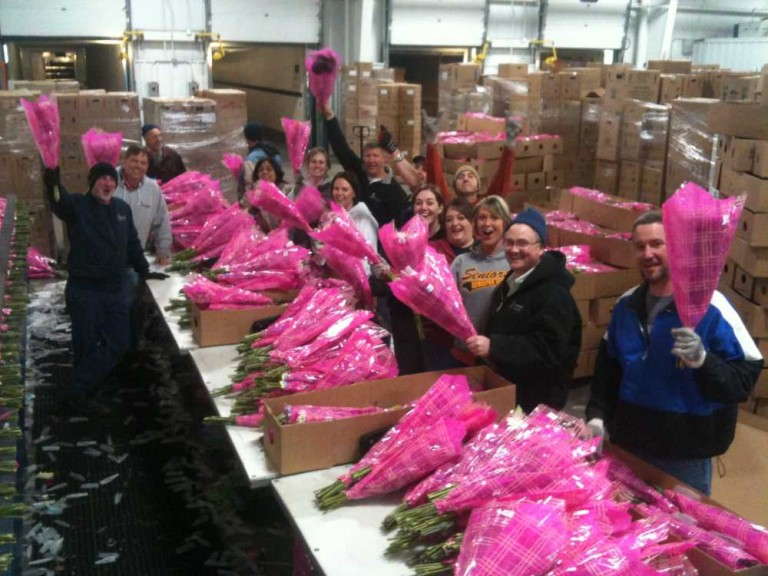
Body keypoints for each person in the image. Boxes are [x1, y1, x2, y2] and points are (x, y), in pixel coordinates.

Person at [585, 211, 762, 494]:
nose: (647, 253)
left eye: (657, 244)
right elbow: (608, 371)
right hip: (630, 443)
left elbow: (742, 381)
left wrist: (704, 361)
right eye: (640, 246)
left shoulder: (711, 307)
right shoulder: (627, 305)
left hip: (685, 452)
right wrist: (597, 415)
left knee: (683, 530)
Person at [43, 163, 164, 402]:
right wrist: (53, 180)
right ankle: (89, 397)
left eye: (112, 179)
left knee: (120, 341)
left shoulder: (121, 209)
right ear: (92, 182)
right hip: (84, 289)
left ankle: (78, 387)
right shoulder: (77, 206)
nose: (108, 183)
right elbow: (58, 201)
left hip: (114, 288)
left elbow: (132, 244)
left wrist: (144, 269)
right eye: (102, 179)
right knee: (85, 344)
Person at [465, 208, 582, 413]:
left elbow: (549, 350)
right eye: (509, 242)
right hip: (510, 390)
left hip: (537, 400)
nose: (514, 249)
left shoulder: (554, 293)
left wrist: (495, 346)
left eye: (523, 243)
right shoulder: (513, 280)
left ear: (541, 248)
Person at [319, 102, 409, 226]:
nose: (371, 160)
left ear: (385, 159)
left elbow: (400, 224)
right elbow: (341, 148)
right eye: (367, 156)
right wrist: (329, 116)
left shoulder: (395, 191)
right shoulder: (358, 172)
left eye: (375, 156)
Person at [451, 195, 511, 335]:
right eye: (482, 218)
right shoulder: (461, 262)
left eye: (494, 217)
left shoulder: (514, 262)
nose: (487, 223)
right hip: (464, 348)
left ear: (505, 223)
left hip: (500, 350)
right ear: (475, 224)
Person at [115, 145, 172, 266]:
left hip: (135, 257)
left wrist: (163, 251)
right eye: (134, 161)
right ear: (124, 161)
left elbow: (162, 221)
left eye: (143, 163)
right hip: (105, 257)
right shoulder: (109, 181)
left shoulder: (152, 188)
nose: (138, 166)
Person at [329, 171, 378, 258]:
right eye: (336, 189)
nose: (339, 193)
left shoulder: (364, 218)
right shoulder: (331, 216)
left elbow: (369, 254)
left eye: (345, 189)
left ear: (354, 193)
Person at [243, 123, 282, 187]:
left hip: (262, 191)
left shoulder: (252, 158)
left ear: (247, 138)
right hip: (277, 187)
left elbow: (250, 180)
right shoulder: (272, 149)